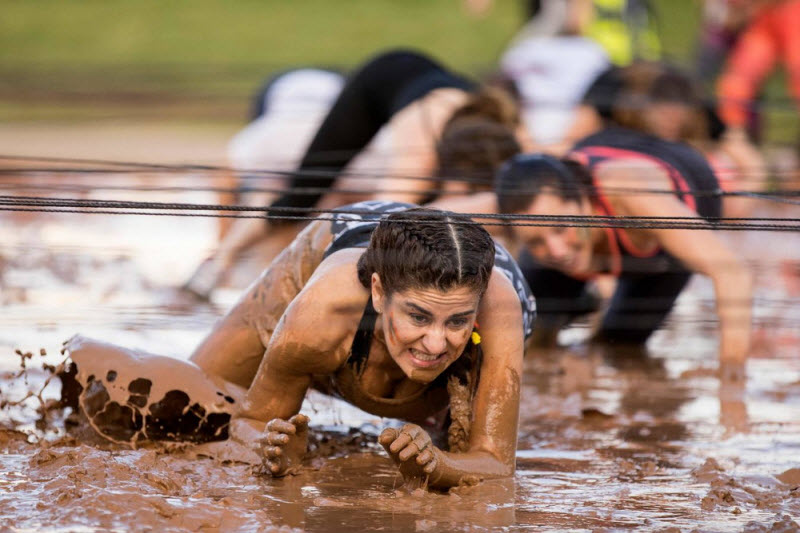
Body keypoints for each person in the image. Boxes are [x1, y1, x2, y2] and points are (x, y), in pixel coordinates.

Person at [63, 201, 536, 490]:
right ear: (377, 293)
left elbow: (495, 463)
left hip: (445, 256)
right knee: (192, 407)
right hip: (340, 236)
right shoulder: (321, 314)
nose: (436, 342)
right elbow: (250, 422)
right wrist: (272, 449)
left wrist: (438, 463)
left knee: (457, 458)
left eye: (458, 321)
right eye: (418, 317)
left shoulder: (499, 308)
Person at [182, 49, 530, 300]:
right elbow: (375, 219)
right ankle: (220, 259)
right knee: (302, 196)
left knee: (437, 209)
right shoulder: (419, 150)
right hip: (377, 81)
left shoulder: (510, 135)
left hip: (432, 84)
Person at [433, 130, 753, 371]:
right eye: (535, 242)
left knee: (619, 347)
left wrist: (731, 384)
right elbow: (419, 217)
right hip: (589, 158)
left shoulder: (632, 195)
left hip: (666, 229)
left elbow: (732, 273)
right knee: (524, 335)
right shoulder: (513, 211)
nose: (557, 250)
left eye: (562, 228)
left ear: (584, 201)